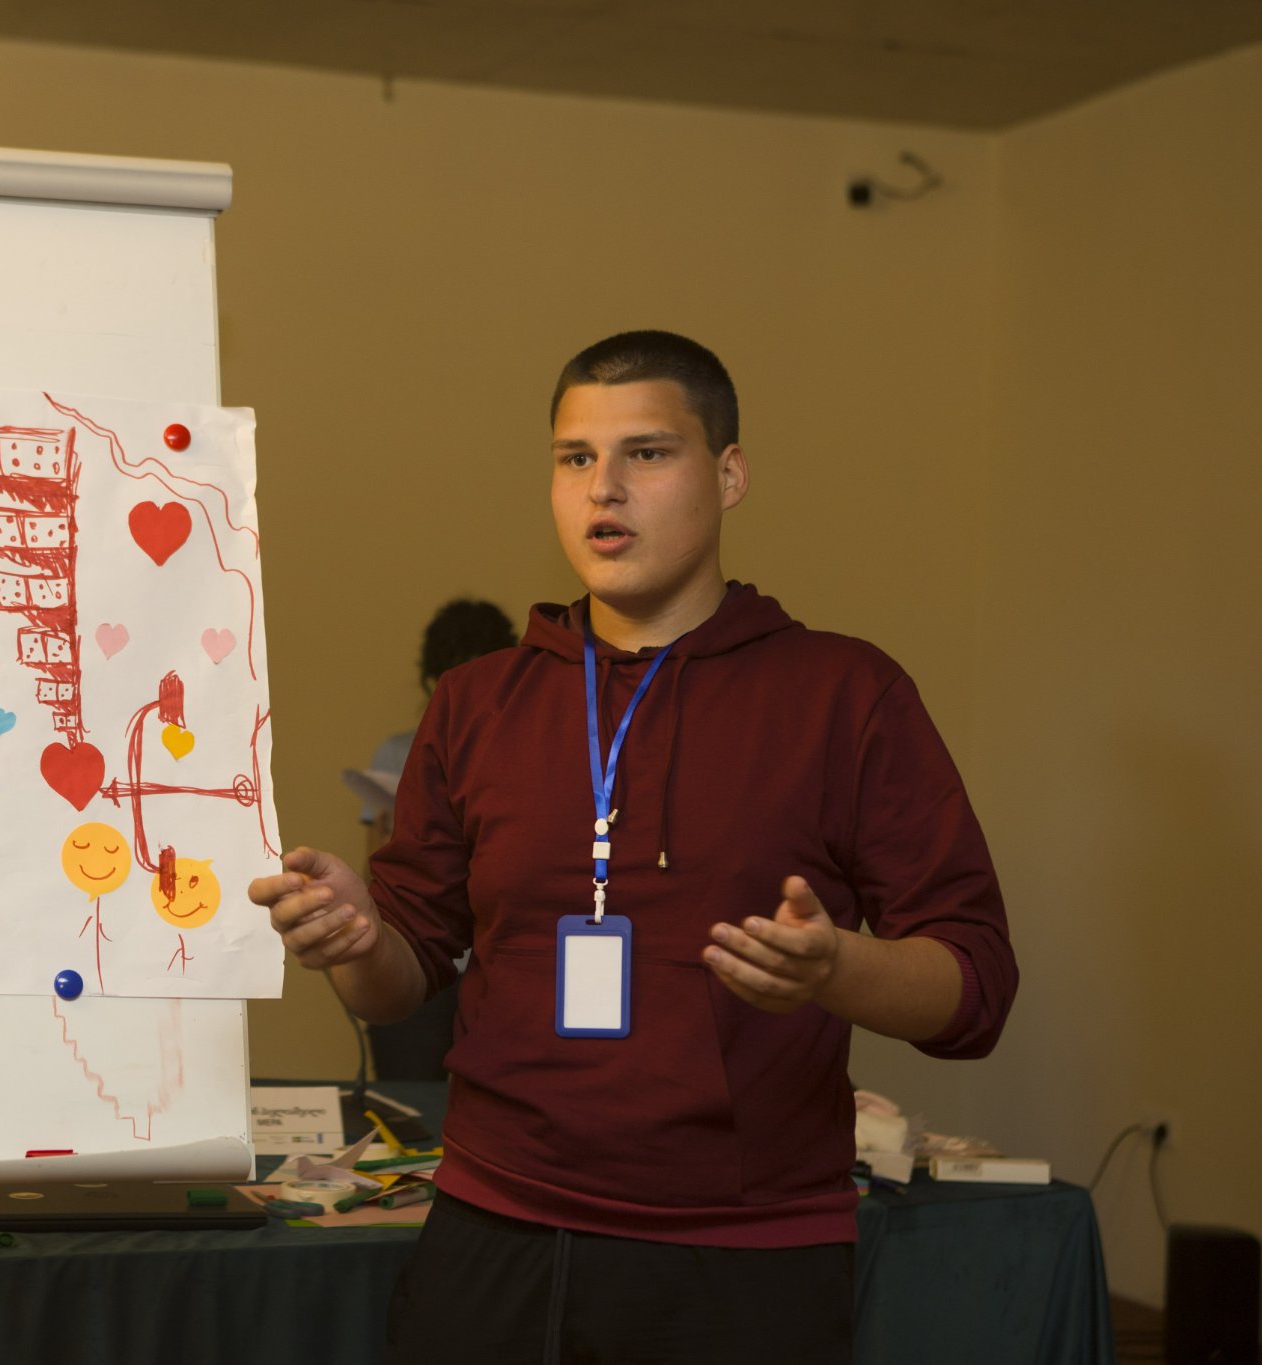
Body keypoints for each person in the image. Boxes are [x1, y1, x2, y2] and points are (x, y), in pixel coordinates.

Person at [250, 330, 1016, 1364]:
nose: (603, 488)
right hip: (491, 1232)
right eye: (575, 458)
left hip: (742, 1257)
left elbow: (975, 986)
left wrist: (836, 967)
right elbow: (403, 978)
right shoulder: (478, 700)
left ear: (729, 475)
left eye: (646, 453)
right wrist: (355, 937)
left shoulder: (844, 694)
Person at [345, 598, 516, 1081]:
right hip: (417, 960)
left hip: (492, 967)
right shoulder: (397, 751)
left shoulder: (523, 750)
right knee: (410, 1096)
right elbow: (377, 873)